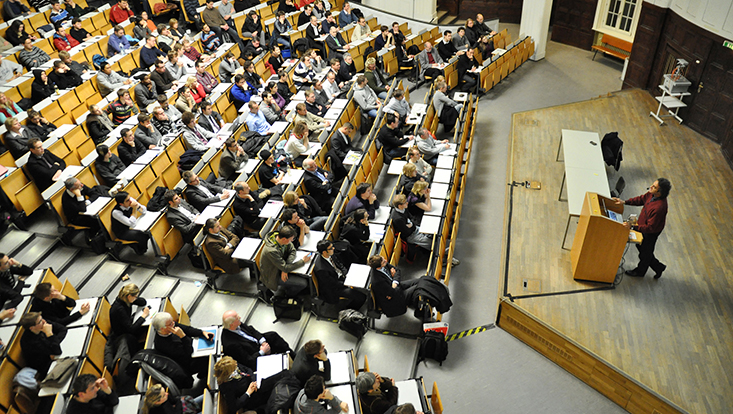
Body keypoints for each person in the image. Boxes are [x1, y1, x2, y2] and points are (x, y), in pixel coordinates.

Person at [614, 178, 672, 278]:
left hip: (651, 232)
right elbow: (641, 199)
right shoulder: (651, 194)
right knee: (644, 250)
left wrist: (632, 226)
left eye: (654, 187)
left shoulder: (659, 208)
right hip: (643, 226)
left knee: (645, 253)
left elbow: (650, 228)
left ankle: (640, 272)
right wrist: (625, 202)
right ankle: (659, 267)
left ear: (659, 192)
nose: (650, 187)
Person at [391, 194, 459, 265]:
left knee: (432, 232)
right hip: (411, 236)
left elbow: (412, 218)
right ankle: (445, 258)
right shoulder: (398, 218)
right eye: (405, 202)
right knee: (431, 244)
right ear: (400, 205)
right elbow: (407, 232)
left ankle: (443, 250)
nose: (407, 203)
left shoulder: (404, 208)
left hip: (414, 228)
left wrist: (411, 225)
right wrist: (412, 225)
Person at [221, 310, 294, 369]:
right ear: (232, 324)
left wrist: (263, 342)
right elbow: (248, 361)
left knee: (273, 335)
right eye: (237, 318)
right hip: (254, 354)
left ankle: (291, 354)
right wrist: (262, 351)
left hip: (257, 344)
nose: (240, 317)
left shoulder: (237, 324)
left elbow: (251, 330)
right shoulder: (231, 344)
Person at [152, 312, 213, 378]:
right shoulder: (164, 345)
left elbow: (187, 329)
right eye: (170, 323)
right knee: (208, 357)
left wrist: (202, 332)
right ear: (162, 329)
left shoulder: (170, 326)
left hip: (189, 346)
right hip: (187, 363)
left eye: (172, 321)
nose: (173, 323)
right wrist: (183, 336)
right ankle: (203, 374)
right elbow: (188, 353)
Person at [313, 239, 367, 309]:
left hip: (341, 278)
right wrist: (346, 283)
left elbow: (340, 264)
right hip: (335, 288)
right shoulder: (321, 269)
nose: (333, 248)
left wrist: (346, 273)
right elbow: (331, 284)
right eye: (331, 248)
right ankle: (348, 310)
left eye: (332, 246)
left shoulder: (331, 254)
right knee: (362, 297)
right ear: (324, 252)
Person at [260, 226, 312, 297]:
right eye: (291, 240)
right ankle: (287, 296)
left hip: (281, 267)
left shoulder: (281, 238)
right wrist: (302, 261)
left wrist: (285, 269)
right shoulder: (271, 251)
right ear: (284, 239)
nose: (291, 241)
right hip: (273, 275)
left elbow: (292, 250)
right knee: (303, 283)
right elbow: (285, 267)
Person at [20, 312, 68, 380]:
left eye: (42, 318)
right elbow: (57, 351)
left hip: (52, 355)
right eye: (40, 321)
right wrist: (49, 334)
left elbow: (62, 329)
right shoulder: (30, 342)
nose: (44, 321)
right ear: (32, 328)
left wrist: (54, 342)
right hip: (45, 366)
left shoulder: (42, 323)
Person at [110, 283, 148, 353]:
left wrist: (135, 299)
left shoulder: (125, 299)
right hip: (123, 333)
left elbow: (143, 302)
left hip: (127, 324)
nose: (136, 298)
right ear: (129, 296)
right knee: (146, 326)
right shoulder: (120, 309)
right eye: (136, 296)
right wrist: (143, 316)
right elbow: (131, 329)